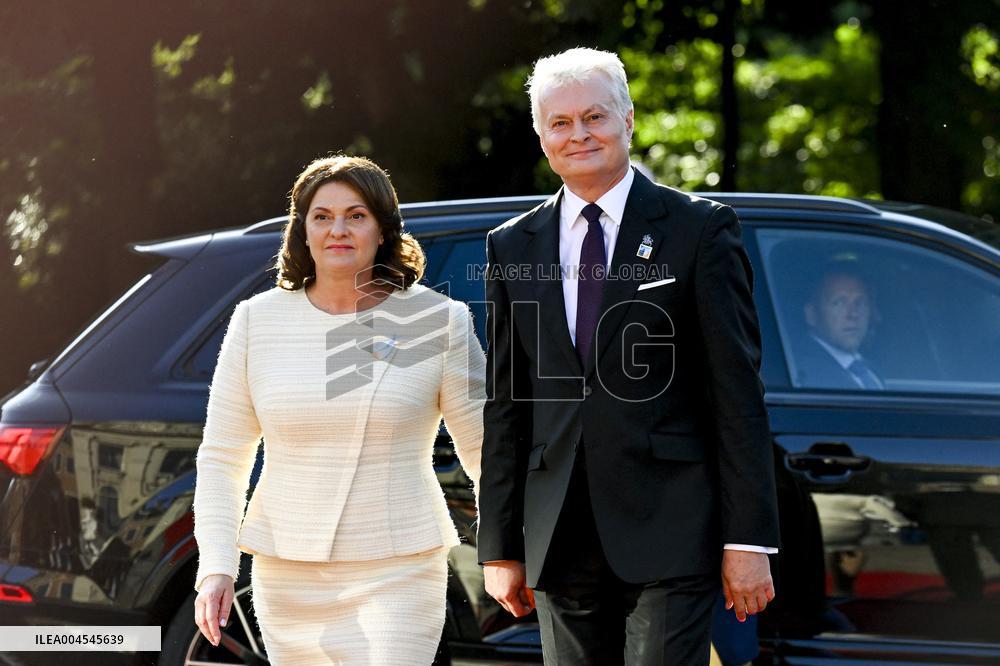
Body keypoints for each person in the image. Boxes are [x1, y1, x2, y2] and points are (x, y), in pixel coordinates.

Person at [477, 48, 780, 665]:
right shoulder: (512, 245)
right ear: (541, 136)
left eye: (595, 116)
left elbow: (736, 392)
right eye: (560, 123)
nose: (579, 134)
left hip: (673, 526)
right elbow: (507, 404)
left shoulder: (698, 229)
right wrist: (500, 546)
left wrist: (748, 540)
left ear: (629, 119)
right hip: (558, 534)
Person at [191, 155, 485, 664]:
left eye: (356, 215)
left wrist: (507, 549)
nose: (338, 230)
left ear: (383, 229)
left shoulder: (439, 321)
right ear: (302, 231)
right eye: (322, 217)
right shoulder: (255, 322)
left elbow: (485, 449)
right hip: (287, 573)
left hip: (400, 567)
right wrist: (217, 564)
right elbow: (222, 455)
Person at [796, 263, 885, 390]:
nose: (853, 314)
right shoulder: (804, 375)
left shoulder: (869, 370)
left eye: (860, 302)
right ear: (812, 315)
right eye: (839, 303)